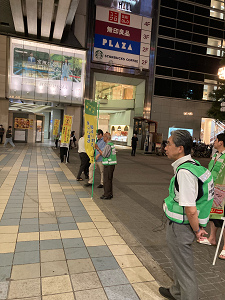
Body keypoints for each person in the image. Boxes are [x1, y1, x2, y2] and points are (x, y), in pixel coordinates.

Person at [159, 130, 214, 300]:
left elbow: (190, 209)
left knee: (185, 269)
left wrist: (197, 231)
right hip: (183, 226)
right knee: (179, 263)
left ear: (180, 148)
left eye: (168, 143)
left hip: (181, 227)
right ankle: (176, 292)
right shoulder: (194, 165)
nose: (165, 147)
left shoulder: (184, 173)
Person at [198, 133, 225, 259]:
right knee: (213, 215)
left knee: (223, 218)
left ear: (221, 142)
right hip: (213, 190)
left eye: (216, 140)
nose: (214, 142)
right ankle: (212, 239)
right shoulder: (216, 155)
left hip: (223, 193)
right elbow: (209, 171)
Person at [95, 132, 117, 199]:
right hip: (111, 164)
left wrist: (98, 148)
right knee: (109, 179)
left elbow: (104, 155)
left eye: (104, 137)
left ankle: (107, 194)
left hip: (108, 164)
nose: (103, 138)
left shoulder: (108, 145)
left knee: (106, 180)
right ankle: (110, 194)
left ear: (106, 138)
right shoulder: (111, 144)